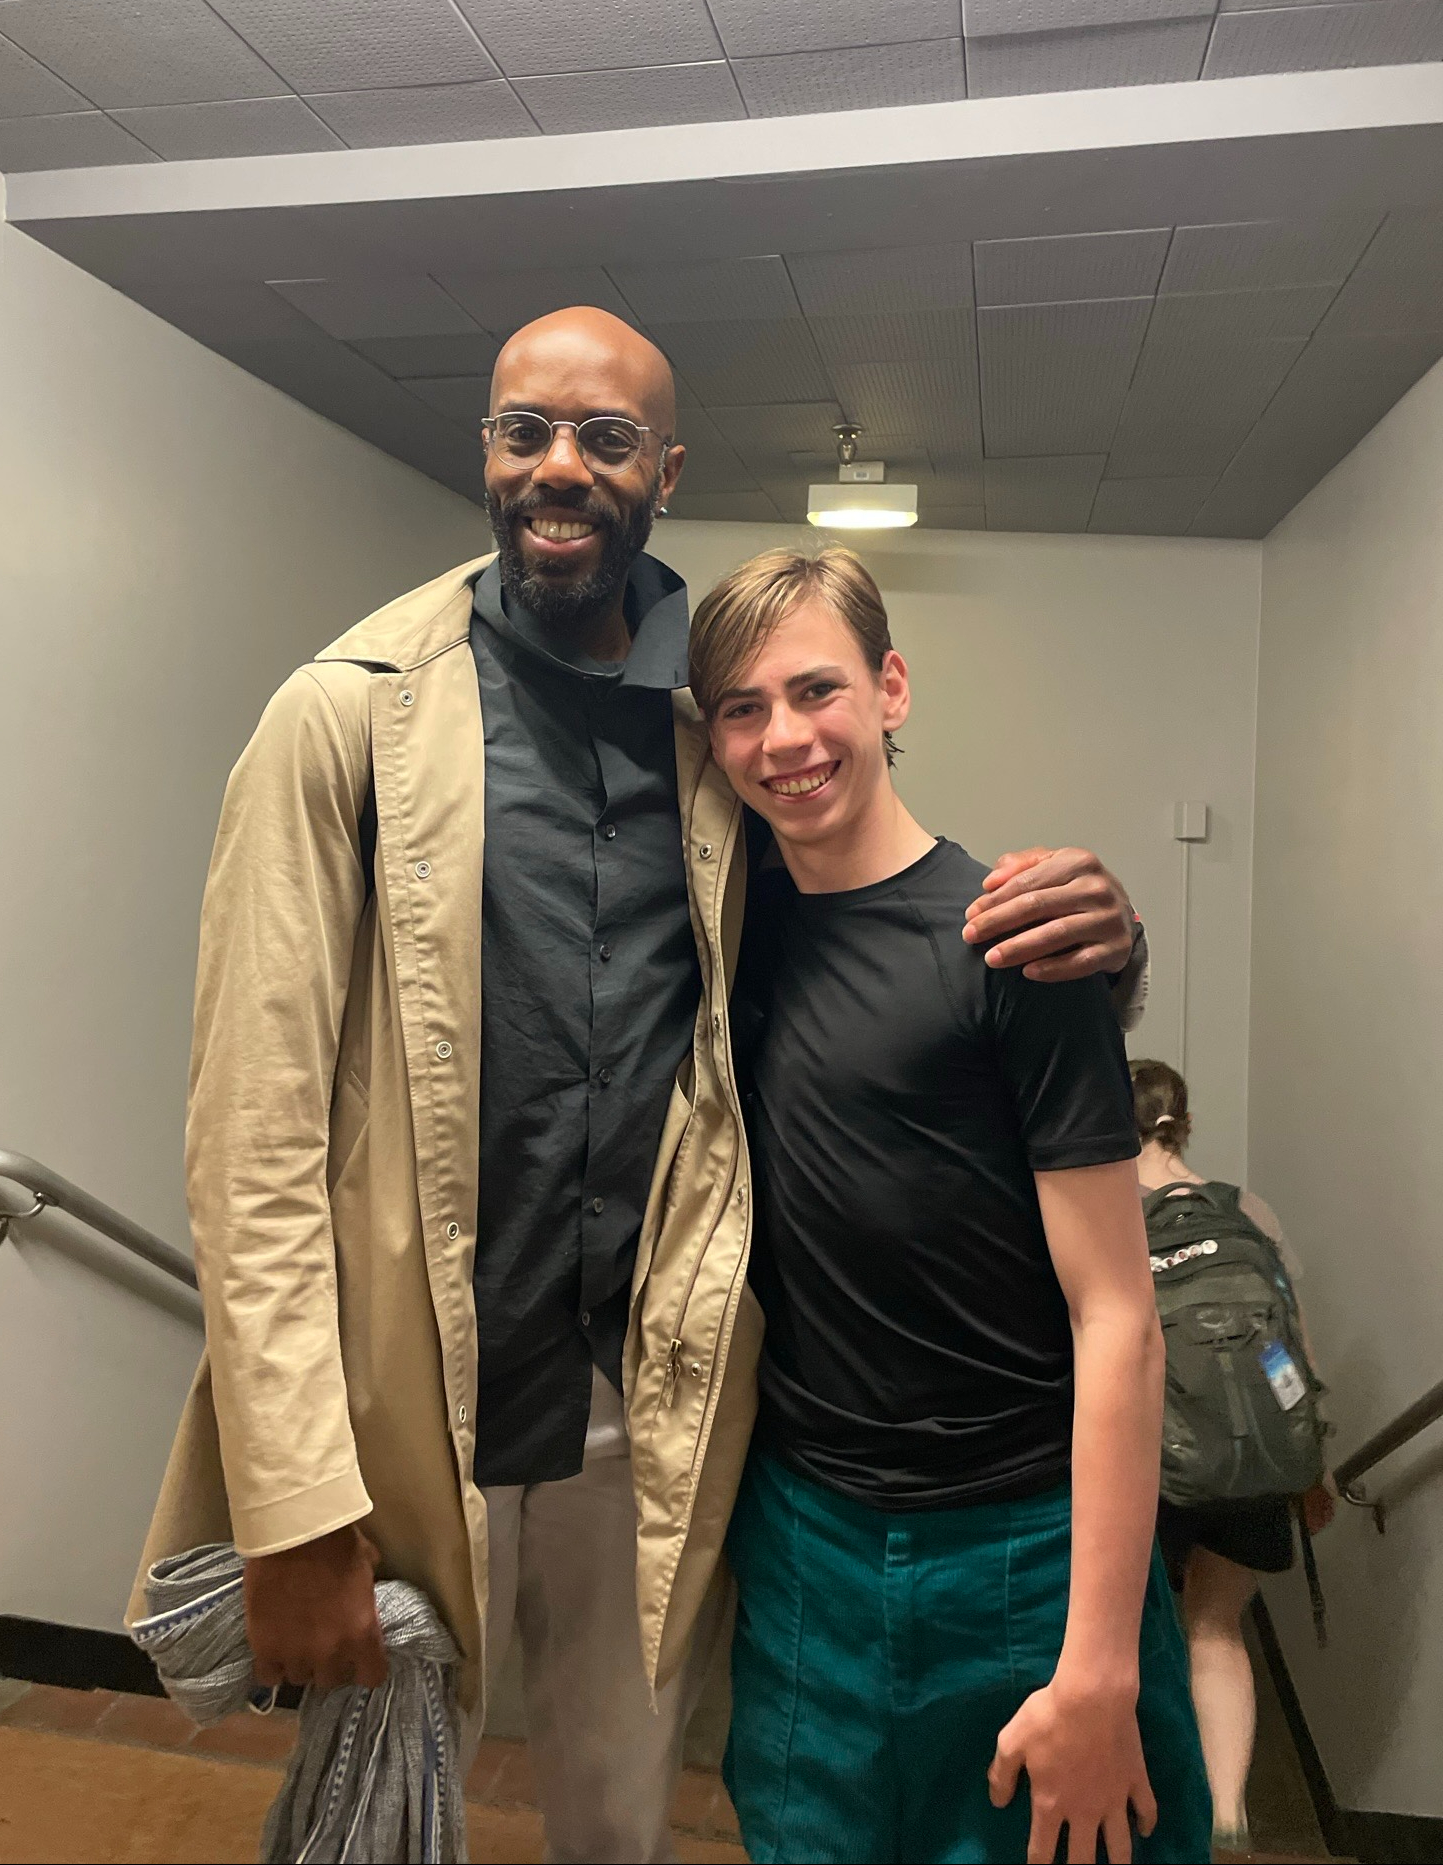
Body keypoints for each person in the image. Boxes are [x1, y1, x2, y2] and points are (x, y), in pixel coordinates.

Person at [132, 310, 1149, 1865]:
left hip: (646, 1417)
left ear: (663, 471)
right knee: (373, 1828)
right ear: (483, 451)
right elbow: (253, 1139)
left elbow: (879, 942)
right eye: (523, 430)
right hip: (412, 1408)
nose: (559, 468)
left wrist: (1104, 946)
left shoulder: (721, 725)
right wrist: (291, 1498)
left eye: (605, 441)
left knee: (624, 1822)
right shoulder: (343, 716)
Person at [687, 546, 1211, 1865]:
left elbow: (1118, 1318)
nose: (783, 737)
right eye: (742, 708)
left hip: (1027, 1547)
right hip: (807, 1544)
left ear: (892, 687)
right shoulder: (723, 941)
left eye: (816, 690)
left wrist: (1097, 1666)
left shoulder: (1018, 945)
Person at [1131, 1059, 1334, 1858]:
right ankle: (1225, 1814)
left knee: (1131, 1631)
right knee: (1216, 1629)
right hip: (1252, 1458)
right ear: (1184, 1120)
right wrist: (1310, 1466)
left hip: (1148, 1459)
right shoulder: (1249, 1212)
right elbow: (1293, 1349)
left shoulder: (1108, 1208)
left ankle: (1141, 1806)